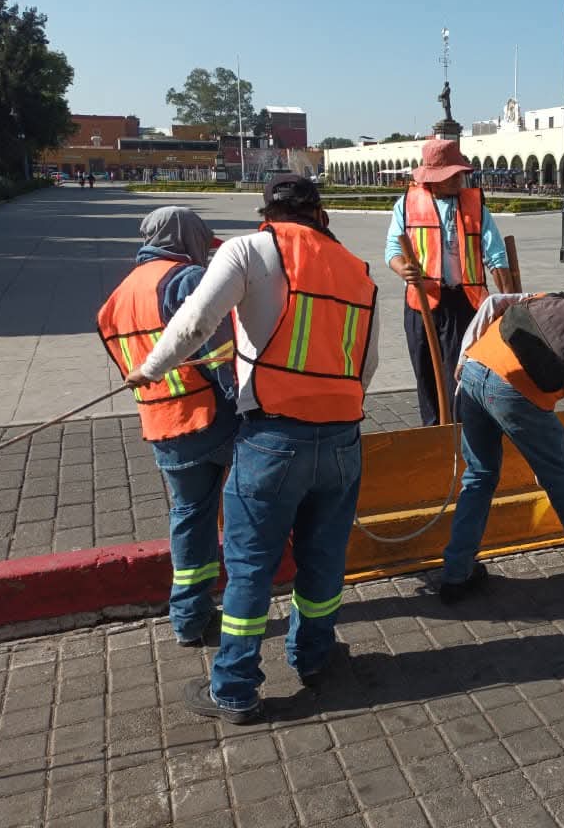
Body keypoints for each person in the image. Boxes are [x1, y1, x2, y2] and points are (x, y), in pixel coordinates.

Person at [124, 174, 379, 724]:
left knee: (251, 569)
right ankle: (313, 658)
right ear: (321, 215)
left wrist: (149, 368)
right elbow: (369, 365)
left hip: (272, 442)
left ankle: (236, 688)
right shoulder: (358, 271)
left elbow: (194, 322)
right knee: (324, 559)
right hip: (342, 441)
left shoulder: (248, 248)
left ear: (267, 211)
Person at [439, 292, 564, 603]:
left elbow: (492, 301)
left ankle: (456, 573)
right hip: (512, 392)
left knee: (478, 476)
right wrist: (558, 469)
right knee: (563, 480)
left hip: (475, 369)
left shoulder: (553, 302)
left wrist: (464, 355)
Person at [97, 206, 236, 647]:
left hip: (162, 423)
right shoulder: (186, 280)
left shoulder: (117, 297)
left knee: (189, 518)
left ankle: (189, 619)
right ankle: (243, 609)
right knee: (249, 510)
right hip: (212, 417)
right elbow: (218, 352)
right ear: (186, 237)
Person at [386, 139, 512, 426]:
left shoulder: (474, 205)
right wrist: (402, 268)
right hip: (421, 302)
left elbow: (495, 253)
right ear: (435, 176)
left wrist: (508, 299)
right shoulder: (406, 204)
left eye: (461, 173)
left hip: (462, 303)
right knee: (425, 372)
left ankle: (459, 430)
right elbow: (392, 250)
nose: (460, 178)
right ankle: (432, 432)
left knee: (457, 373)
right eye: (454, 174)